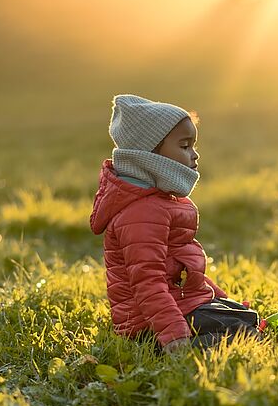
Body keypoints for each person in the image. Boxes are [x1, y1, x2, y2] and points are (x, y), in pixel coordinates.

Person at [89, 94, 260, 353]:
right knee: (244, 333)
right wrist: (173, 335)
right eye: (184, 146)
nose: (195, 154)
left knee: (245, 317)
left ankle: (221, 333)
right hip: (148, 325)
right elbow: (147, 282)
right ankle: (177, 349)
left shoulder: (163, 200)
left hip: (179, 305)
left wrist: (220, 299)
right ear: (150, 154)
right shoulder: (141, 213)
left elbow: (185, 268)